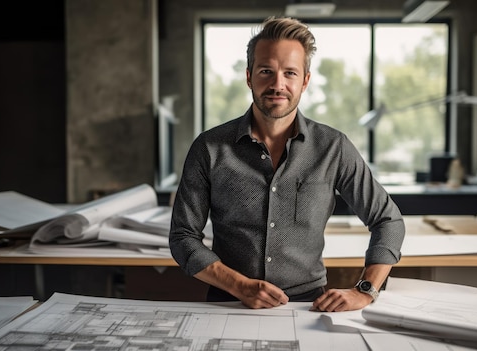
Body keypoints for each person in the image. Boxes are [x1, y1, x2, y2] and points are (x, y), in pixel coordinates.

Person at [169, 16, 405, 312]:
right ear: (249, 76)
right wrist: (239, 285)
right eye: (266, 71)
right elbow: (182, 237)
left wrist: (366, 290)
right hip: (229, 302)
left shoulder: (334, 147)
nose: (277, 84)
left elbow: (387, 220)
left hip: (309, 307)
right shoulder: (209, 148)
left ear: (305, 80)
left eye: (290, 73)